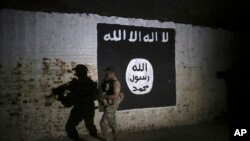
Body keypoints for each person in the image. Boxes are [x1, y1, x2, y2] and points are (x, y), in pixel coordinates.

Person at [52, 64, 99, 141]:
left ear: (78, 72)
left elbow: (69, 100)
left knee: (70, 127)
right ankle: (95, 135)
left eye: (76, 71)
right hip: (89, 108)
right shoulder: (91, 83)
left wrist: (61, 97)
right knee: (90, 125)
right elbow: (95, 96)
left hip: (79, 108)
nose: (75, 73)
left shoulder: (75, 84)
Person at [99, 66, 121, 141]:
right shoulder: (109, 81)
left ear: (112, 73)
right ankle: (116, 138)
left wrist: (103, 96)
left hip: (112, 105)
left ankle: (107, 139)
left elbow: (115, 95)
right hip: (109, 104)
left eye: (107, 73)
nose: (106, 74)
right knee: (112, 121)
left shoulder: (116, 83)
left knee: (103, 123)